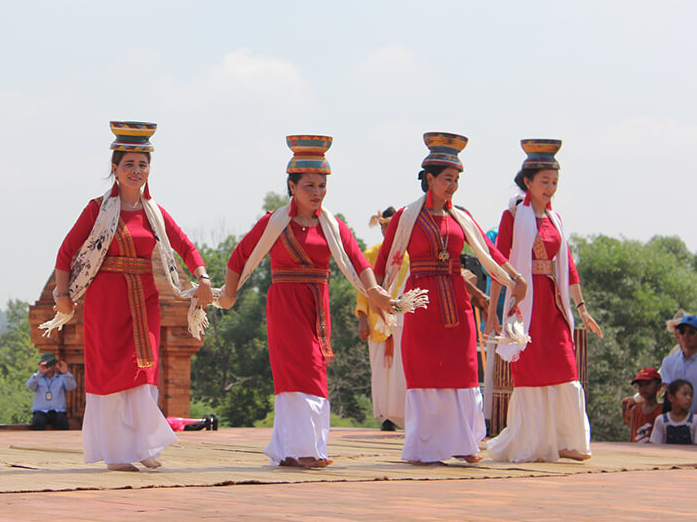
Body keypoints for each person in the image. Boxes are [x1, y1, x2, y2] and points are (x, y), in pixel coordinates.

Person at [219, 135, 407, 469]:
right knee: (299, 371)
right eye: (309, 185)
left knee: (316, 368)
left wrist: (374, 291)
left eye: (322, 185)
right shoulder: (274, 222)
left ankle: (302, 448)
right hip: (285, 306)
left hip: (317, 307)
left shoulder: (332, 225)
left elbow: (358, 262)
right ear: (292, 187)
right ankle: (300, 449)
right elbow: (239, 257)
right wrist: (229, 296)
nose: (317, 192)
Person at [46, 122, 213, 472]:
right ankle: (118, 454)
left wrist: (202, 277)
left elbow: (185, 245)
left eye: (142, 164)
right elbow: (66, 252)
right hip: (106, 302)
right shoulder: (97, 209)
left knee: (144, 372)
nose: (136, 171)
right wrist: (62, 296)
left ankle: (142, 446)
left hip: (145, 301)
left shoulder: (154, 213)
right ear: (115, 169)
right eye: (129, 164)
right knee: (110, 375)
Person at [374, 132, 526, 465]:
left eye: (456, 180)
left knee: (463, 368)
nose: (452, 186)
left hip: (457, 303)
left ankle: (464, 443)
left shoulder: (462, 218)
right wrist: (380, 299)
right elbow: (385, 261)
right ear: (429, 179)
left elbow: (489, 252)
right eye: (446, 179)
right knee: (426, 370)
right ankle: (424, 447)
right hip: (421, 302)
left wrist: (515, 277)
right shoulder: (407, 216)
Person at [485, 139, 602, 463]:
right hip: (526, 304)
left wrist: (582, 308)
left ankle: (567, 440)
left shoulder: (556, 219)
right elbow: (500, 261)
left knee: (566, 369)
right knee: (532, 372)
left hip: (554, 304)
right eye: (544, 182)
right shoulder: (512, 215)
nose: (550, 188)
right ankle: (533, 442)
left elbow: (570, 268)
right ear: (528, 182)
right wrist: (495, 311)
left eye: (554, 183)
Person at [356, 207, 408, 431]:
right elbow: (361, 290)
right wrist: (362, 319)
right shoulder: (369, 254)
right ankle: (386, 415)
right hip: (377, 320)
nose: (386, 231)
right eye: (384, 227)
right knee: (380, 370)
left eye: (391, 227)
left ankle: (403, 414)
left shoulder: (409, 255)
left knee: (401, 369)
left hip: (402, 320)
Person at [27, 352, 77, 430]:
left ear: (55, 365)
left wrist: (66, 373)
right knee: (38, 421)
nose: (49, 367)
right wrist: (40, 373)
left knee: (62, 421)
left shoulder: (62, 378)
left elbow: (71, 387)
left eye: (51, 364)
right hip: (41, 411)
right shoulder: (37, 378)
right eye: (46, 365)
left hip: (58, 411)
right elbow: (29, 386)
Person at [660, 315, 697, 414]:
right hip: (676, 423)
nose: (685, 335)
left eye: (691, 332)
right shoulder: (669, 361)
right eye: (682, 331)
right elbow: (668, 391)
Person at [622, 368, 663, 443]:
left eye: (647, 384)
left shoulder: (662, 410)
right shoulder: (636, 409)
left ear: (658, 386)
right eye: (640, 385)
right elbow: (632, 436)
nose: (643, 388)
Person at [649, 379, 696, 444]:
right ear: (671, 397)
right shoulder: (661, 420)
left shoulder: (695, 420)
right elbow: (655, 446)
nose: (689, 398)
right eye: (684, 394)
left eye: (691, 395)